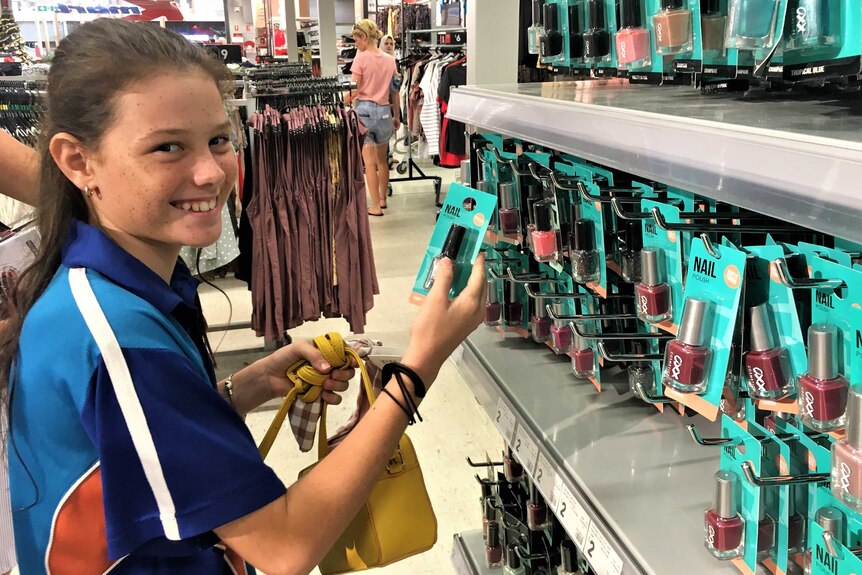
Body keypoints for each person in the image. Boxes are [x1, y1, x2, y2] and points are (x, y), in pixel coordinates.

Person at [1, 18, 485, 575]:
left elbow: (138, 450)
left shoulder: (107, 289)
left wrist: (248, 385)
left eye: (219, 139)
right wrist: (419, 367)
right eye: (166, 148)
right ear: (78, 161)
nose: (210, 172)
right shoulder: (114, 335)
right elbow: (284, 546)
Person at [351, 19, 399, 216]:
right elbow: (395, 90)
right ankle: (382, 199)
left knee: (368, 162)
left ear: (363, 37)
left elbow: (354, 89)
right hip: (385, 112)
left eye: (356, 40)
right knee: (382, 159)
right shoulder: (390, 60)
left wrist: (342, 99)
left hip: (365, 113)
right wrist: (396, 114)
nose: (355, 45)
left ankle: (375, 207)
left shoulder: (360, 59)